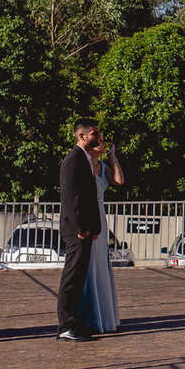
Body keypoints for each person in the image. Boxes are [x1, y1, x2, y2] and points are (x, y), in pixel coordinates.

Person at [56, 118, 104, 342]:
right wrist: (80, 227)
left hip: (85, 229)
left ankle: (74, 321)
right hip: (76, 230)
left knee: (79, 277)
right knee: (72, 277)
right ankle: (66, 325)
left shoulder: (85, 159)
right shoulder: (73, 160)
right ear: (81, 136)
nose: (98, 137)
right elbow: (71, 196)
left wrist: (94, 228)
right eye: (94, 134)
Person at [78, 137, 124, 333]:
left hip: (101, 217)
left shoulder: (103, 166)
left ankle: (104, 314)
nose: (103, 144)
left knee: (101, 263)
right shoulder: (85, 165)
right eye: (101, 142)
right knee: (89, 264)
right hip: (89, 213)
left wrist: (113, 158)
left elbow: (120, 181)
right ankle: (88, 315)